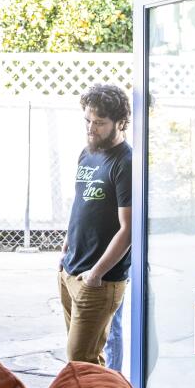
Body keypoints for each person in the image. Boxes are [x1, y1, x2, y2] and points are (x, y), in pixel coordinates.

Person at [59, 84, 132, 366]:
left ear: (120, 122)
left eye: (100, 123)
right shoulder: (87, 153)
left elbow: (128, 230)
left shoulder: (126, 162)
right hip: (70, 270)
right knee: (82, 360)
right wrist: (65, 250)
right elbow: (81, 205)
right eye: (88, 121)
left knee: (82, 360)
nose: (91, 128)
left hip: (99, 280)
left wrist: (95, 275)